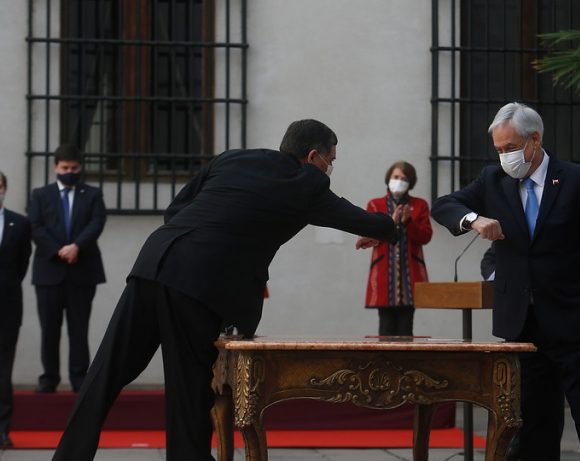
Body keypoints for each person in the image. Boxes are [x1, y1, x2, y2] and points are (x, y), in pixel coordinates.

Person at [51, 119, 395, 461]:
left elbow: (175, 209)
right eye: (330, 160)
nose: (330, 167)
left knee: (106, 372)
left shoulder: (234, 158)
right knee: (188, 390)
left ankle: (67, 457)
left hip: (152, 264)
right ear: (312, 156)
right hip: (198, 286)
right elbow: (356, 218)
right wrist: (390, 225)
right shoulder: (306, 183)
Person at [431, 102, 580, 461]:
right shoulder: (493, 180)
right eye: (499, 150)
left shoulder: (575, 179)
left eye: (511, 148)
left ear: (534, 140)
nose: (504, 157)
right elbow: (444, 205)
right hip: (522, 322)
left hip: (573, 316)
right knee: (534, 414)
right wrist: (473, 219)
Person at [28, 145, 106, 393]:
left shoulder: (92, 194)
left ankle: (79, 379)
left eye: (74, 168)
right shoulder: (41, 195)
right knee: (49, 329)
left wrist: (76, 247)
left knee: (79, 328)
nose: (69, 172)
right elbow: (35, 226)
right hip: (49, 271)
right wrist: (59, 250)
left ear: (79, 168)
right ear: (55, 167)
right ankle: (49, 378)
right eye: (65, 168)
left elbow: (97, 222)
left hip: (82, 272)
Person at [359, 161, 432, 336]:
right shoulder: (375, 205)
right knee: (385, 329)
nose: (399, 181)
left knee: (406, 330)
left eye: (404, 178)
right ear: (389, 179)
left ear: (410, 182)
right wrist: (391, 222)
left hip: (411, 275)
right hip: (384, 275)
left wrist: (408, 222)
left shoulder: (420, 205)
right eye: (396, 177)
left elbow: (425, 237)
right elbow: (370, 235)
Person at [0, 171, 32, 448]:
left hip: (7, 308)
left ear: (5, 189)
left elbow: (21, 265)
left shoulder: (19, 224)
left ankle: (2, 430)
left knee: (3, 372)